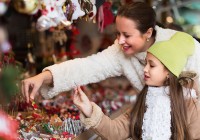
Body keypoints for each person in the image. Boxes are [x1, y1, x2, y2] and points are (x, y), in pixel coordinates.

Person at [21, 2, 200, 103]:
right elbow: (88, 67)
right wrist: (44, 76)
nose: (120, 41)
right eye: (118, 34)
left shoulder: (182, 46)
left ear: (148, 33)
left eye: (127, 35)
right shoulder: (120, 52)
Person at [73, 32, 200, 140]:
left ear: (168, 72)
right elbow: (116, 131)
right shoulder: (145, 101)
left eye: (152, 65)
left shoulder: (190, 105)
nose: (145, 69)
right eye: (145, 63)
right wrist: (88, 109)